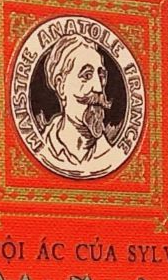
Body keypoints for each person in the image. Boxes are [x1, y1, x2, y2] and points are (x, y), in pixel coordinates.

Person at [33, 36, 119, 176]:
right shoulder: (43, 149)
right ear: (61, 86)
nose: (99, 88)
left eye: (101, 76)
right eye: (87, 75)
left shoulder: (110, 155)